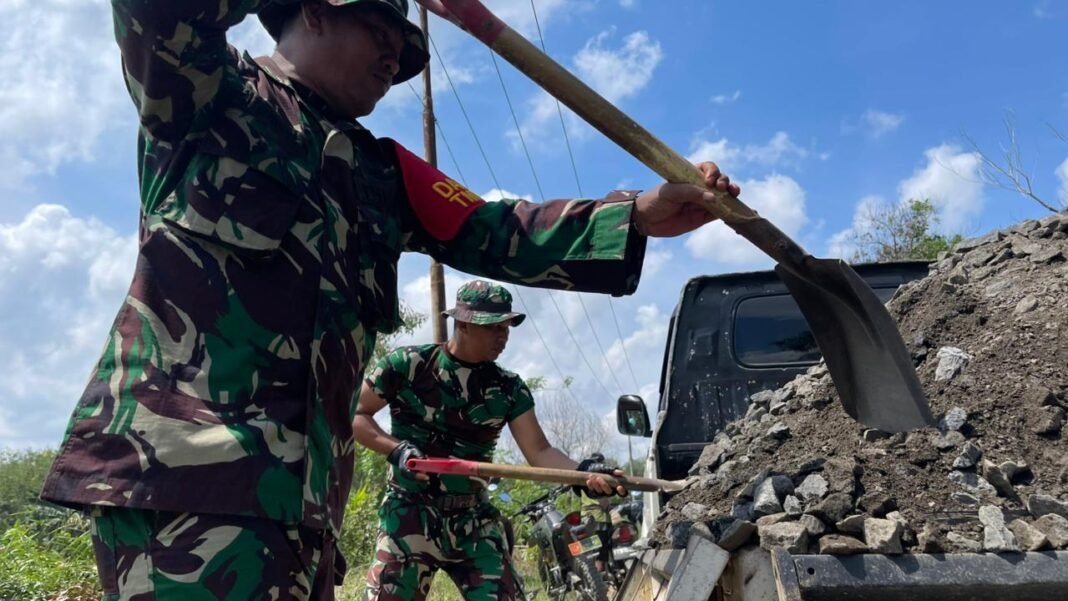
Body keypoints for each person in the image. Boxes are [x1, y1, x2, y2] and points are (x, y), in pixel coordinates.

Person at [39, 0, 741, 599]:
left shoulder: (379, 171)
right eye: (383, 30)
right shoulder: (203, 95)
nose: (397, 56)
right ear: (314, 10)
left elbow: (496, 230)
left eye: (406, 47)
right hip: (183, 482)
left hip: (305, 507)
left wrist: (639, 213)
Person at [354, 281, 625, 601]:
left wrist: (584, 474)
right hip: (408, 514)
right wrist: (396, 449)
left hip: (473, 522)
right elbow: (356, 415)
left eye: (507, 326)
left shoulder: (508, 388)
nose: (503, 335)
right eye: (493, 326)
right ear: (464, 323)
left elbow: (540, 451)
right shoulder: (408, 365)